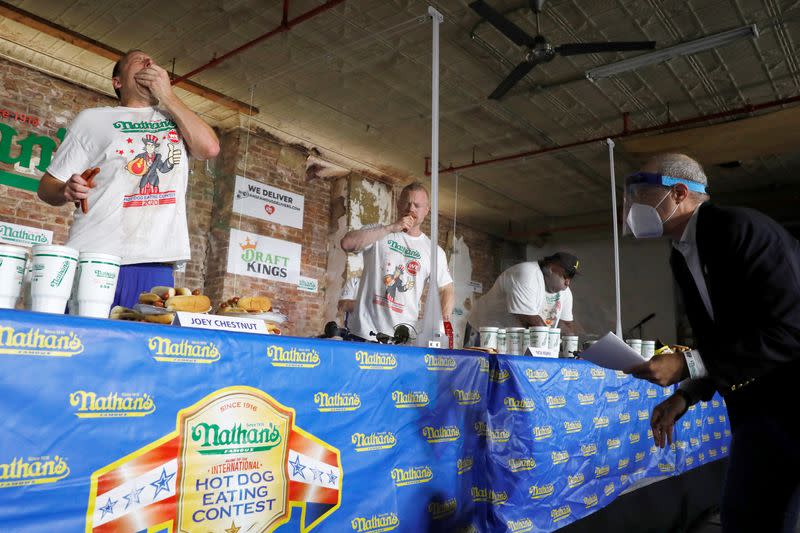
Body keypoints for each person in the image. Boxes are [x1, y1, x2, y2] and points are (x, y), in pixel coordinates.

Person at [624, 153, 800, 532]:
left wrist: (688, 364)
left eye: (641, 192)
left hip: (793, 403)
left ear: (679, 193)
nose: (633, 204)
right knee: (742, 518)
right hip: (757, 410)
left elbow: (791, 331)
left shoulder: (740, 228)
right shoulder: (682, 256)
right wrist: (685, 394)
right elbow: (720, 343)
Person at [37, 49, 220, 308]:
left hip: (155, 262)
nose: (149, 62)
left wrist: (167, 96)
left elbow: (210, 149)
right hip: (94, 256)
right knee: (79, 345)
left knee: (143, 347)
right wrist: (66, 189)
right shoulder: (93, 119)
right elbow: (46, 187)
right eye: (138, 61)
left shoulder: (176, 118)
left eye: (152, 61)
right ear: (118, 82)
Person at [341, 182, 454, 342]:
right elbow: (346, 244)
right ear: (398, 204)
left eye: (417, 205)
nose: (411, 209)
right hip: (365, 334)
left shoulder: (433, 251)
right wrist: (391, 228)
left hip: (403, 338)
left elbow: (446, 289)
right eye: (407, 203)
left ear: (426, 211)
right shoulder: (379, 232)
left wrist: (442, 326)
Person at [464, 252, 579, 346]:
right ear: (552, 269)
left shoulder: (566, 293)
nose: (568, 282)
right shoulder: (527, 273)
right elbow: (530, 321)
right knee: (481, 372)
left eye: (571, 277)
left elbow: (566, 325)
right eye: (565, 276)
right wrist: (552, 345)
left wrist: (573, 347)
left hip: (514, 338)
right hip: (484, 331)